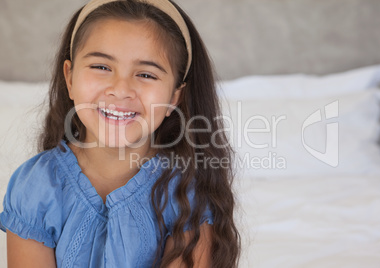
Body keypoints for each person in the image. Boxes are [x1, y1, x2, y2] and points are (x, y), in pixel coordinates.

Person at [0, 0, 241, 267]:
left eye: (146, 74)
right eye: (101, 67)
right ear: (69, 78)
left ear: (174, 96)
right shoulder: (36, 188)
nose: (121, 89)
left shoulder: (187, 195)